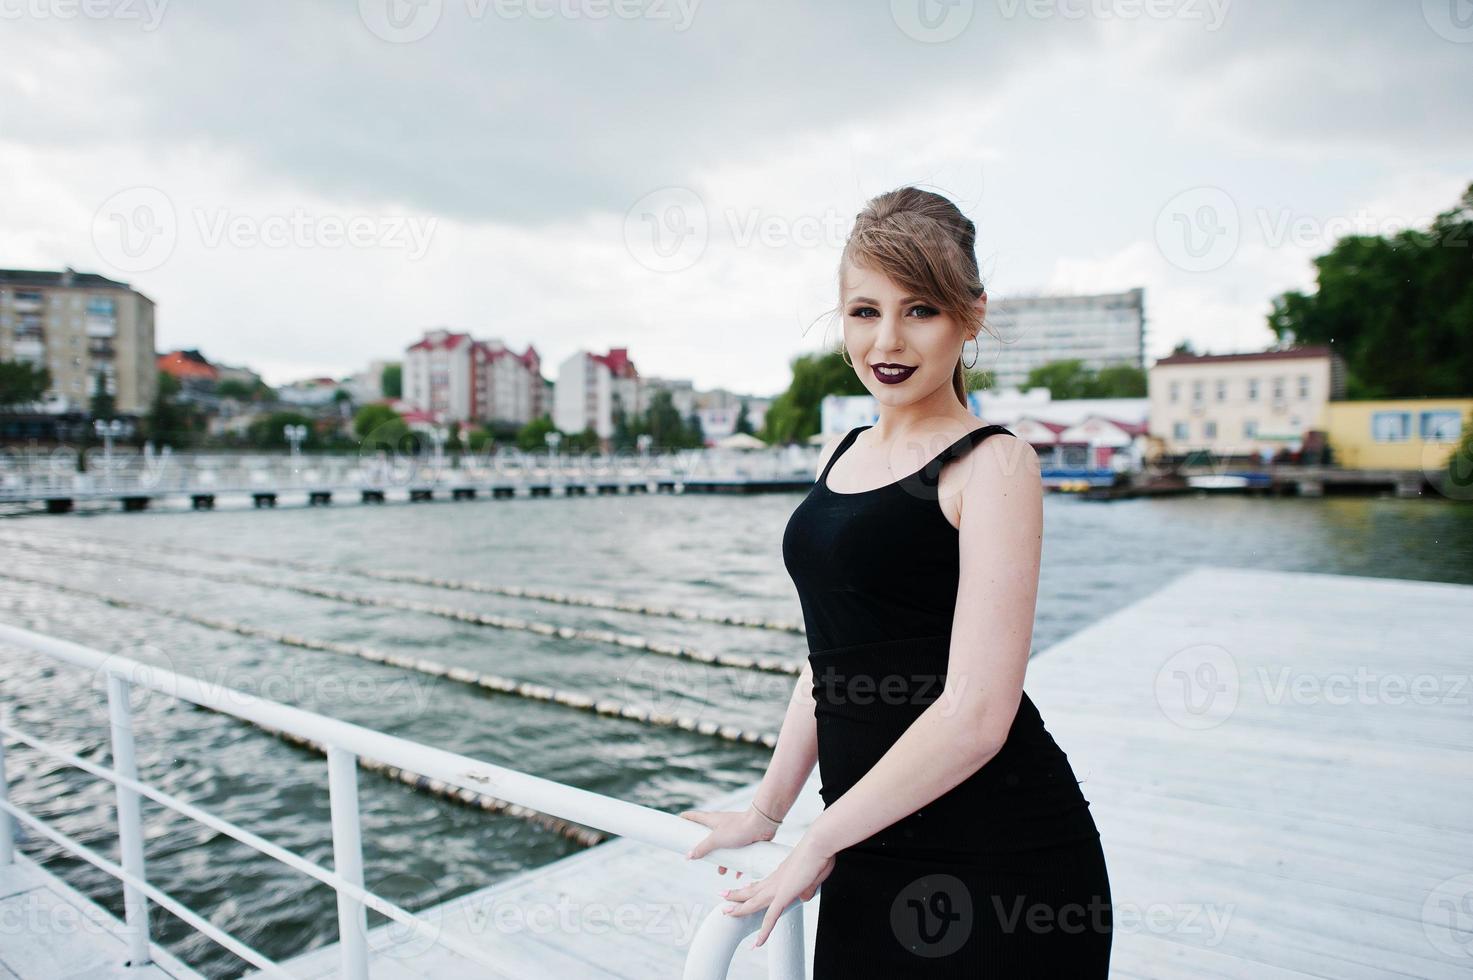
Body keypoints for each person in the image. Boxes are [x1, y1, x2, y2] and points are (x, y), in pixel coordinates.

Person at [680, 186, 1111, 976]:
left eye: (920, 310)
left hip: (995, 857)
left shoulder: (993, 463)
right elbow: (829, 661)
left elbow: (979, 713)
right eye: (862, 310)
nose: (887, 339)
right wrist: (768, 811)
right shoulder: (838, 452)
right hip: (863, 842)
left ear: (970, 316)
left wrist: (817, 840)